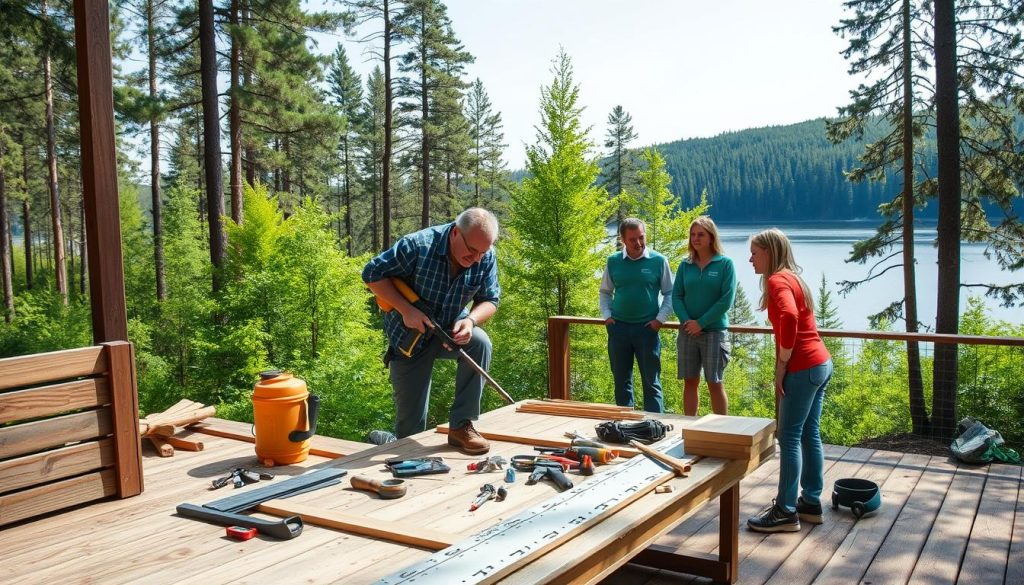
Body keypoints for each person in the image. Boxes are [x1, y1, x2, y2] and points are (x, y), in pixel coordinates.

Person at [362, 208, 500, 455]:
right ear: (456, 233)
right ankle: (395, 440)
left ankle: (461, 426)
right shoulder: (417, 245)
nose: (478, 258)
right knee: (410, 432)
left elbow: (490, 299)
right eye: (472, 251)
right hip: (408, 338)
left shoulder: (485, 256)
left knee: (480, 342)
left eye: (483, 252)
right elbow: (371, 274)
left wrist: (470, 321)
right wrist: (406, 310)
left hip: (449, 328)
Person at [746, 228, 833, 533]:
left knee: (790, 436)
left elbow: (790, 316)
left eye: (755, 253)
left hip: (803, 367)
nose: (750, 259)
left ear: (769, 252)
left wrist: (782, 362)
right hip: (820, 363)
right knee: (810, 433)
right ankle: (810, 501)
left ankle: (785, 510)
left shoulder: (777, 279)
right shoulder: (793, 277)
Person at [599, 218, 673, 412]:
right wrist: (607, 317)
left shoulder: (658, 261)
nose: (638, 243)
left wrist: (659, 320)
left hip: (647, 330)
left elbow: (670, 293)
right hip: (618, 329)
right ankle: (625, 428)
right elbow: (605, 292)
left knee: (652, 383)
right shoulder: (613, 261)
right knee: (622, 383)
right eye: (633, 239)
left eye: (641, 237)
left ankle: (655, 428)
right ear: (623, 239)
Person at [672, 216, 737, 416]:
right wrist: (687, 322)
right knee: (690, 382)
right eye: (692, 235)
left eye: (701, 234)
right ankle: (689, 427)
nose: (695, 238)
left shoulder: (725, 264)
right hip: (688, 332)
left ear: (711, 237)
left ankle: (720, 429)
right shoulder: (685, 265)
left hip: (714, 332)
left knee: (714, 382)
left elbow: (726, 300)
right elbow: (676, 296)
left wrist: (701, 323)